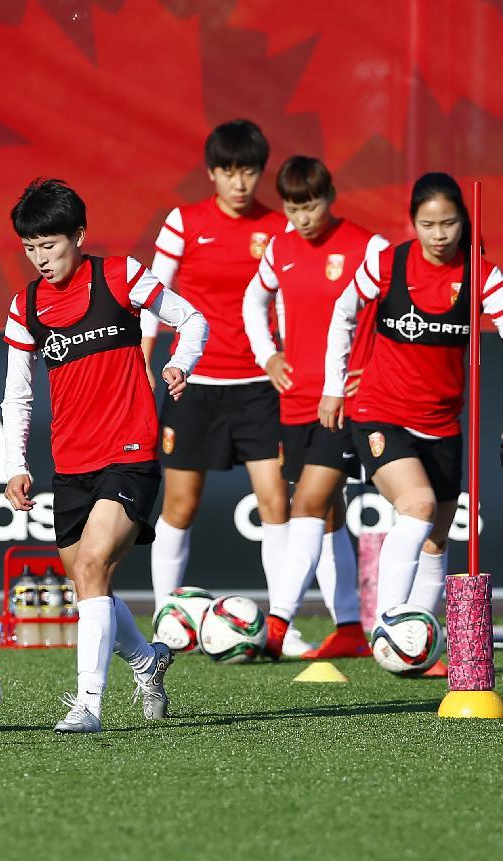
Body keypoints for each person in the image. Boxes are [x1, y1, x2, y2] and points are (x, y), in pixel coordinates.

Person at [1, 178, 208, 733]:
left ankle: (88, 706)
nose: (41, 258)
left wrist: (181, 364)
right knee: (89, 585)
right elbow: (18, 393)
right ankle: (147, 659)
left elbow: (192, 319)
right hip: (71, 465)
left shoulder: (119, 275)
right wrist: (15, 464)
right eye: (30, 248)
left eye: (51, 245)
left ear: (79, 235)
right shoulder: (26, 306)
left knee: (92, 567)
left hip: (130, 451)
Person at [319, 171, 503, 674]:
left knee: (436, 538)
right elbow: (343, 313)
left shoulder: (482, 274)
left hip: (442, 422)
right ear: (413, 224)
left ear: (464, 222)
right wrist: (335, 384)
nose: (439, 235)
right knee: (417, 506)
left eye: (448, 223)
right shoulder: (386, 264)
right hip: (381, 411)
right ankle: (389, 625)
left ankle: (422, 640)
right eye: (428, 224)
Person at [141, 119, 312, 657]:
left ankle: (282, 626)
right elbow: (155, 291)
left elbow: (287, 296)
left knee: (275, 501)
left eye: (250, 172)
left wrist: (291, 355)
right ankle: (165, 620)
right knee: (181, 505)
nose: (240, 183)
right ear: (212, 172)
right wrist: (148, 357)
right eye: (229, 171)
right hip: (193, 384)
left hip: (260, 387)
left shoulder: (278, 226)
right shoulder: (184, 222)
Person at [243, 156, 388, 659]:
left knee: (305, 504)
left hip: (346, 402)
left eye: (311, 205)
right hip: (297, 399)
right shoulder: (279, 248)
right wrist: (268, 355)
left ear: (330, 197)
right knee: (326, 514)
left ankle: (277, 627)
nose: (303, 218)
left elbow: (399, 304)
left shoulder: (368, 247)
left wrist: (372, 368)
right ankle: (349, 625)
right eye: (292, 207)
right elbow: (251, 301)